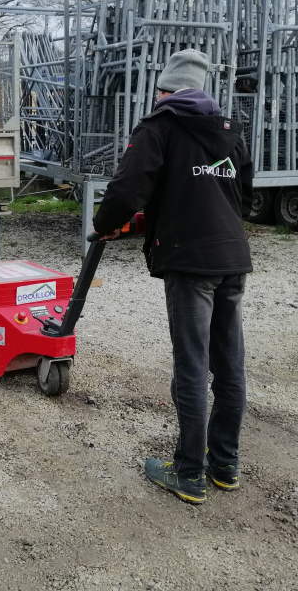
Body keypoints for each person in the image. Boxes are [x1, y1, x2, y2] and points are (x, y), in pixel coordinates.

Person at [91, 49, 253, 504]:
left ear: (164, 90)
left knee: (192, 365)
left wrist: (104, 226)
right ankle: (225, 464)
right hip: (232, 257)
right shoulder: (229, 132)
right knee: (229, 365)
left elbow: (126, 190)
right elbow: (241, 193)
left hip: (190, 262)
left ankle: (188, 472)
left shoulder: (159, 127)